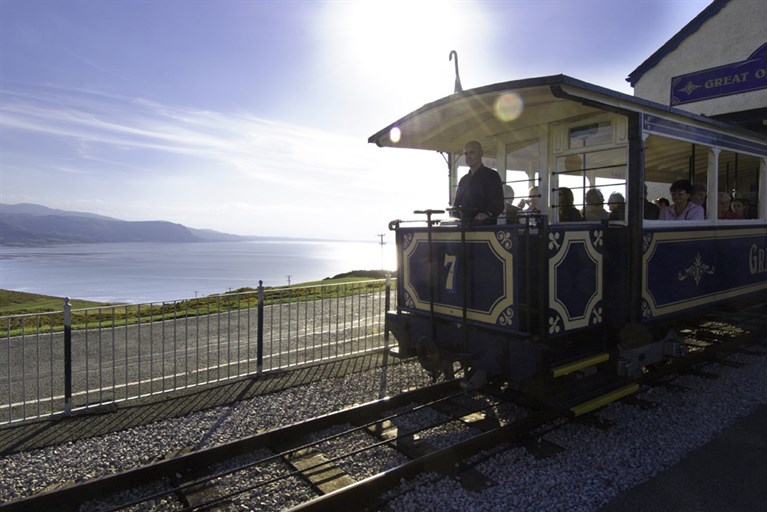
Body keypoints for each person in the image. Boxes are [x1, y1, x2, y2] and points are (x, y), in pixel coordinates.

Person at [452, 140, 504, 225]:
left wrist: (487, 214)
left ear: (481, 153)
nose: (468, 156)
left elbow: (498, 204)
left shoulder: (492, 176)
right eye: (466, 154)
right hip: (464, 229)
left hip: (484, 229)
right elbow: (456, 204)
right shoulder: (463, 180)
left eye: (471, 152)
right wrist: (455, 217)